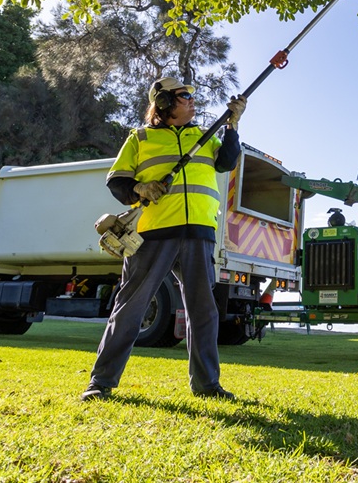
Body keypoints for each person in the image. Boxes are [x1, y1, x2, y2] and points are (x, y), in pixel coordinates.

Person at [81, 76, 247, 402]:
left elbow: (227, 161)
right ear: (165, 103)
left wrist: (233, 125)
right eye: (184, 96)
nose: (192, 100)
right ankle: (100, 383)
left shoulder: (204, 136)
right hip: (153, 234)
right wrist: (139, 189)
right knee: (130, 309)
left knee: (204, 312)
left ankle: (207, 384)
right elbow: (117, 182)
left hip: (199, 232)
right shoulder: (140, 139)